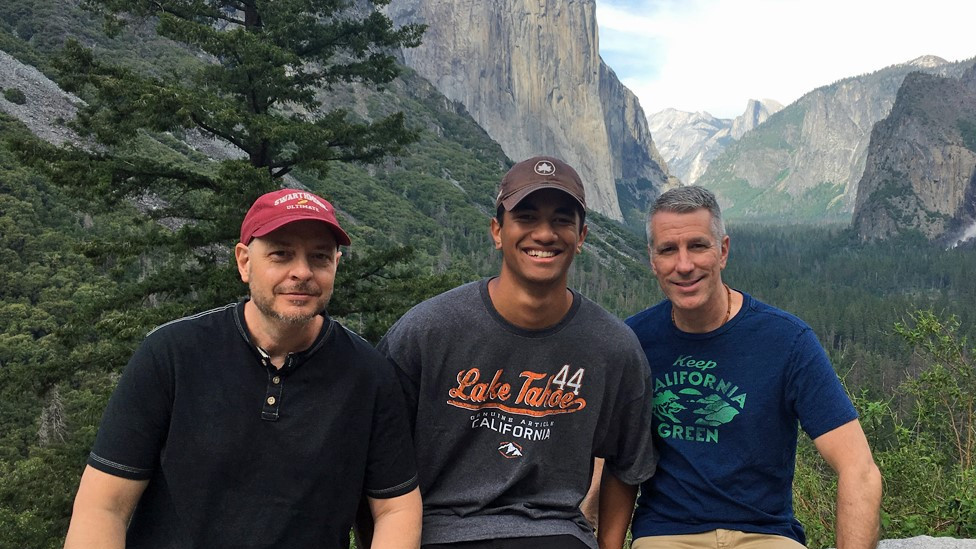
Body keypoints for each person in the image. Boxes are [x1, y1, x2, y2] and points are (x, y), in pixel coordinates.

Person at [63, 189, 422, 549]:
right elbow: (104, 506)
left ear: (335, 265)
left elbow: (396, 508)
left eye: (319, 257)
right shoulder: (172, 355)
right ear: (244, 262)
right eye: (281, 254)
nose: (302, 272)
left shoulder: (368, 374)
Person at [377, 156, 657, 549]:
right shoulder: (427, 331)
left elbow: (627, 466)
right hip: (438, 531)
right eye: (526, 217)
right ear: (497, 231)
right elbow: (378, 457)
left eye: (562, 220)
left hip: (555, 532)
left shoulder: (613, 346)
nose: (544, 234)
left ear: (582, 236)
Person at [625, 186, 882, 549]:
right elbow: (610, 463)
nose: (684, 265)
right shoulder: (633, 341)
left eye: (698, 246)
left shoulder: (787, 341)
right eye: (669, 250)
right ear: (653, 260)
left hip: (766, 535)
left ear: (723, 251)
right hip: (667, 535)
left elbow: (860, 469)